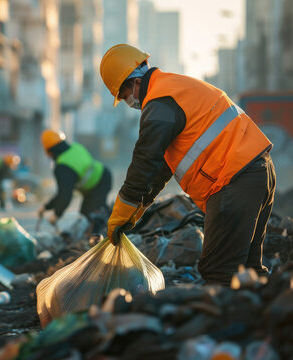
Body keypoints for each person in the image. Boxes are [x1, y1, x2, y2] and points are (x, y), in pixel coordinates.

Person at [100, 44, 275, 285]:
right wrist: (135, 212)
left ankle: (237, 321)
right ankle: (270, 317)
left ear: (134, 83)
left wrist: (120, 213)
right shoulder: (172, 89)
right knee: (248, 269)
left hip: (233, 179)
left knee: (218, 270)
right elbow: (160, 167)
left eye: (123, 94)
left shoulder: (160, 101)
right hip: (257, 172)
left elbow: (145, 159)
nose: (127, 101)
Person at [38, 129, 112, 231]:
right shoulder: (75, 147)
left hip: (99, 183)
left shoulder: (63, 167)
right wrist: (47, 207)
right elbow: (63, 194)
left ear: (50, 151)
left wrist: (57, 215)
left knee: (90, 218)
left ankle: (108, 237)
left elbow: (65, 195)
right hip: (103, 176)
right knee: (87, 215)